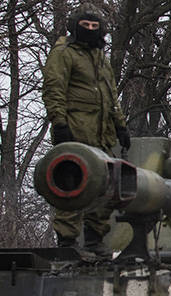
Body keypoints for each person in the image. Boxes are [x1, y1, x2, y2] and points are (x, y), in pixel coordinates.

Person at [41, 4, 130, 254]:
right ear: (75, 27)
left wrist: (121, 126)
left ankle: (95, 238)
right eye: (85, 26)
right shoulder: (64, 53)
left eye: (94, 27)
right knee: (72, 184)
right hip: (76, 131)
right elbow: (53, 89)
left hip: (102, 133)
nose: (90, 30)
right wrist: (59, 124)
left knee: (105, 185)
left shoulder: (101, 58)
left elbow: (111, 96)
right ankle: (67, 240)